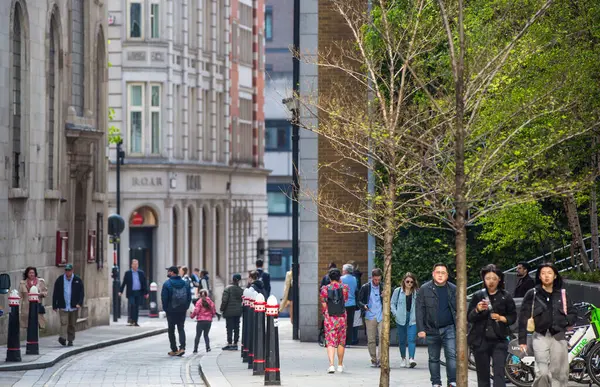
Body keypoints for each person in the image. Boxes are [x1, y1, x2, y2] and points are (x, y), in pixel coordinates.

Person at [518, 263, 576, 387]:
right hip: (540, 336)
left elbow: (573, 313)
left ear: (555, 276)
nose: (546, 276)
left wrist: (566, 322)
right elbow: (523, 317)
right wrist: (522, 340)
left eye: (549, 273)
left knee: (560, 373)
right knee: (542, 372)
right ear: (539, 276)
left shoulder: (562, 294)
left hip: (559, 336)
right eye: (543, 273)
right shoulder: (532, 294)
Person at [468, 264, 517, 387]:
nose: (491, 281)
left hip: (499, 339)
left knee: (499, 372)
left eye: (494, 279)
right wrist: (477, 310)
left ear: (499, 279)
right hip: (480, 340)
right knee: (482, 375)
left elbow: (513, 316)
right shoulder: (478, 296)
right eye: (488, 278)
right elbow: (469, 317)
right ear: (484, 279)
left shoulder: (506, 296)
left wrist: (501, 318)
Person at [416, 263, 457, 387]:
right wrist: (421, 329)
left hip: (449, 328)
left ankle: (452, 381)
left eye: (443, 272)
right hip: (431, 328)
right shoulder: (424, 289)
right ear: (433, 274)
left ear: (447, 275)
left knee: (451, 355)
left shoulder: (453, 289)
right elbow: (419, 310)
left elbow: (458, 309)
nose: (440, 275)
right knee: (433, 358)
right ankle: (436, 383)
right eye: (438, 272)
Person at [320, 268, 349, 373]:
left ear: (329, 277)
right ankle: (340, 365)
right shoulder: (344, 287)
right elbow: (345, 300)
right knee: (341, 341)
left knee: (330, 342)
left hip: (330, 318)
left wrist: (325, 314)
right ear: (339, 277)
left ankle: (331, 365)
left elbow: (323, 305)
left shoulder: (324, 289)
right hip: (341, 317)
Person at [161, 266, 192, 356]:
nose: (168, 273)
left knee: (171, 329)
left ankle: (174, 349)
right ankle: (182, 348)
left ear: (172, 272)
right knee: (181, 328)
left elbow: (164, 298)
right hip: (182, 309)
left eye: (169, 271)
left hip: (171, 310)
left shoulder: (167, 284)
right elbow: (189, 297)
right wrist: (185, 307)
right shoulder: (185, 283)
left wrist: (166, 309)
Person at [391, 272, 419, 368]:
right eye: (407, 281)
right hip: (401, 318)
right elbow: (392, 304)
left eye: (411, 282)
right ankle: (403, 358)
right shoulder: (398, 291)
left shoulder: (416, 292)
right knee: (402, 340)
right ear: (404, 281)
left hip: (412, 318)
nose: (409, 283)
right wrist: (396, 314)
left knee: (412, 339)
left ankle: (411, 358)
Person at [52, 264, 84, 346]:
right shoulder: (60, 280)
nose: (67, 272)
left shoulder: (77, 280)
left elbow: (81, 293)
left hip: (74, 306)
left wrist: (79, 303)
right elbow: (55, 292)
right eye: (66, 270)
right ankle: (62, 338)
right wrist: (54, 305)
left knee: (72, 324)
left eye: (69, 270)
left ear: (72, 271)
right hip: (63, 305)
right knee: (64, 322)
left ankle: (70, 339)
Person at [358, 268, 384, 367]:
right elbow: (359, 300)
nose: (377, 281)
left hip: (381, 316)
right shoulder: (366, 287)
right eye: (375, 279)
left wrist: (385, 296)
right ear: (372, 278)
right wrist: (364, 306)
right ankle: (374, 359)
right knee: (371, 339)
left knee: (382, 338)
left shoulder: (383, 287)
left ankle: (381, 359)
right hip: (370, 316)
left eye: (379, 279)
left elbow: (389, 299)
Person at [119, 259, 149, 327]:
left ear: (138, 265)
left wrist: (146, 293)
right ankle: (131, 320)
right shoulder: (128, 273)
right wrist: (121, 291)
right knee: (132, 305)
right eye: (134, 264)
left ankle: (135, 321)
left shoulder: (141, 273)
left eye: (136, 264)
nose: (135, 266)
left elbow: (144, 283)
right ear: (131, 265)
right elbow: (124, 283)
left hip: (138, 292)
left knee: (136, 307)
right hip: (131, 292)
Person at [220, 273, 243, 350]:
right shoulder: (240, 290)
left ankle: (229, 343)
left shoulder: (228, 288)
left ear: (232, 279)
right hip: (237, 312)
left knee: (229, 328)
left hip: (229, 312)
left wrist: (222, 309)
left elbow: (224, 300)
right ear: (239, 280)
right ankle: (235, 343)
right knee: (237, 327)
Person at [190, 289, 216, 353]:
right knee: (206, 335)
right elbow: (213, 311)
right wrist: (212, 315)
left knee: (198, 335)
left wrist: (192, 316)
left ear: (200, 294)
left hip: (201, 321)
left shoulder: (199, 302)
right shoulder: (211, 302)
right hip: (208, 321)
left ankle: (195, 349)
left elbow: (196, 311)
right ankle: (208, 348)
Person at [341, 264, 358, 346]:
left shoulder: (341, 278)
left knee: (342, 323)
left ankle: (342, 341)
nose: (342, 271)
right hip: (352, 303)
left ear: (346, 270)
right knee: (350, 323)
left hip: (343, 303)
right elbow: (355, 289)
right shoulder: (354, 279)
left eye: (343, 269)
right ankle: (349, 342)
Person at [348, 260, 363, 345]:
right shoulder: (357, 276)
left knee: (353, 321)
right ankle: (354, 338)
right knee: (355, 321)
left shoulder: (354, 277)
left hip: (354, 301)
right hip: (357, 301)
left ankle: (353, 339)